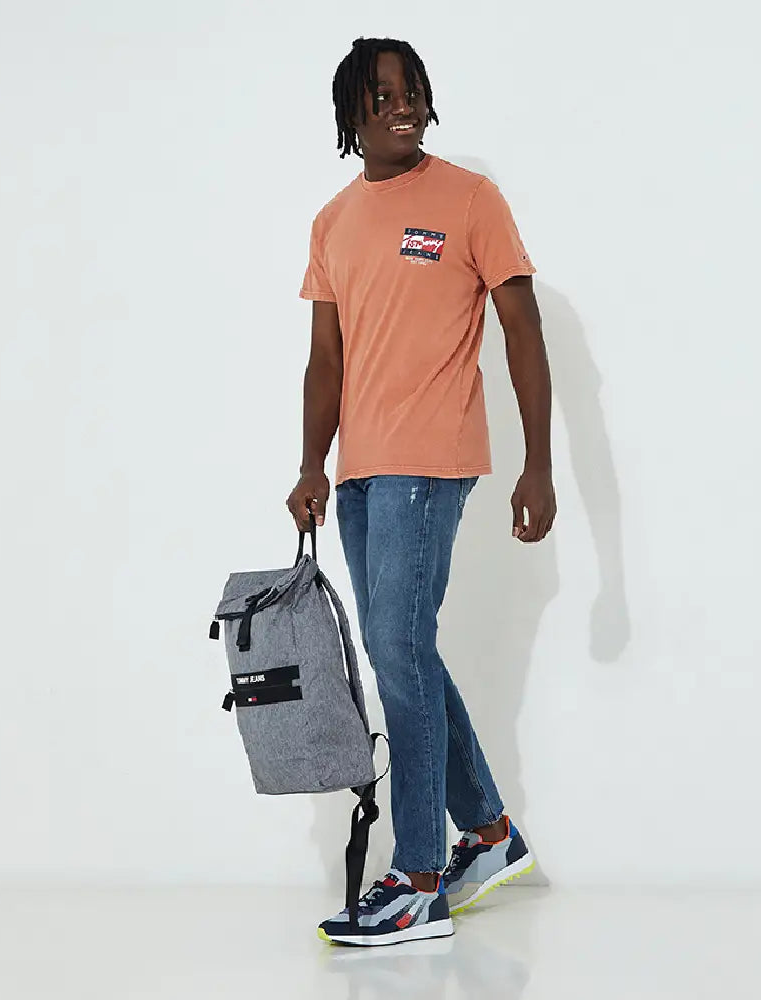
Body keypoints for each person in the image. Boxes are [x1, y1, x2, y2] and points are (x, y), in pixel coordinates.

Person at [287, 36, 556, 947]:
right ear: (352, 113)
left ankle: (419, 878)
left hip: (432, 461)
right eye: (383, 94)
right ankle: (488, 832)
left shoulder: (470, 200)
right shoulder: (332, 221)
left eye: (413, 92)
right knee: (399, 653)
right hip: (361, 471)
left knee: (399, 654)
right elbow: (326, 360)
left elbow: (523, 329)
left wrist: (538, 464)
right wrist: (311, 463)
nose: (402, 106)